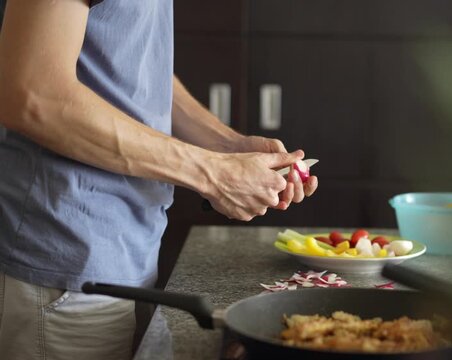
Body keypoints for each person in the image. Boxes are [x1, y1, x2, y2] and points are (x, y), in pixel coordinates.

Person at [0, 0, 318, 359]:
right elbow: (32, 95)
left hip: (127, 251)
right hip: (63, 264)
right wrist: (213, 173)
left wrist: (226, 146)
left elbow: (131, 55)